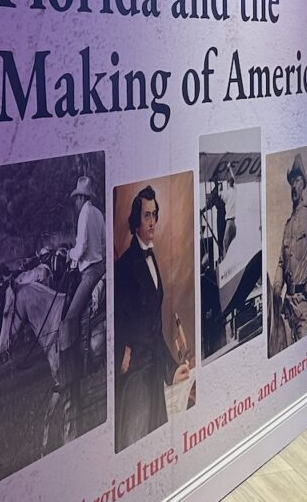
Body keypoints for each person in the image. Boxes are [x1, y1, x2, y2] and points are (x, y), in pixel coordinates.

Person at [115, 185, 190, 451]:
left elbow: (154, 327)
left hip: (155, 372)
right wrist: (123, 352)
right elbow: (120, 321)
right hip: (137, 378)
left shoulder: (151, 257)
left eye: (154, 215)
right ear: (136, 221)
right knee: (135, 449)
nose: (152, 221)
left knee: (154, 451)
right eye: (147, 215)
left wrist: (171, 370)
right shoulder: (125, 265)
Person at [59, 176, 106, 438]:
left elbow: (83, 247)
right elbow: (102, 242)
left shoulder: (85, 214)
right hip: (100, 269)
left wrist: (70, 254)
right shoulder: (98, 213)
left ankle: (69, 374)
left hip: (89, 272)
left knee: (68, 320)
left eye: (76, 198)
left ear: (80, 197)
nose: (75, 203)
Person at [274, 153, 307, 342]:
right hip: (287, 305)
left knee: (305, 350)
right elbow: (281, 263)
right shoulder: (287, 225)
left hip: (303, 303)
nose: (293, 186)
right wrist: (277, 288)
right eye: (292, 181)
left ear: (303, 184)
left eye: (297, 181)